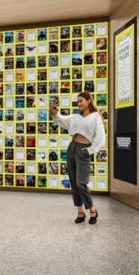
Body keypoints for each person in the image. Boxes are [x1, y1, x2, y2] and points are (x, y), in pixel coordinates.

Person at [50, 92, 104, 224]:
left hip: (83, 150)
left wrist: (91, 150)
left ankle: (92, 209)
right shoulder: (75, 117)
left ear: (88, 101)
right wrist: (53, 111)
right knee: (74, 183)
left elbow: (101, 136)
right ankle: (80, 212)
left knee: (81, 182)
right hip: (72, 149)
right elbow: (60, 120)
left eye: (81, 101)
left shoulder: (95, 116)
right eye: (77, 101)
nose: (78, 103)